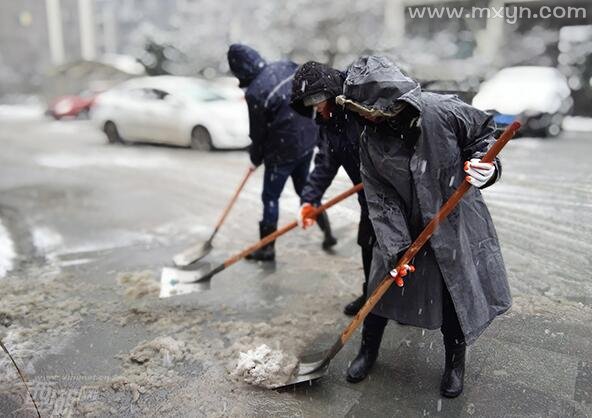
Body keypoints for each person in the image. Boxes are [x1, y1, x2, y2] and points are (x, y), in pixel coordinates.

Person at [338, 56, 512, 398]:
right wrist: (397, 248)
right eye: (358, 110)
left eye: (366, 109)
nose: (363, 117)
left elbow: (486, 137)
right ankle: (367, 351)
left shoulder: (443, 112)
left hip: (453, 219)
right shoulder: (370, 139)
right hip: (403, 222)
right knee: (380, 287)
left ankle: (454, 363)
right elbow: (381, 197)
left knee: (452, 294)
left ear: (388, 101)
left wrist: (488, 167)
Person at [227, 44, 337, 261]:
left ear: (239, 70)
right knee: (306, 189)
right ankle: (328, 232)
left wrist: (255, 157)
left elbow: (258, 133)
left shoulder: (256, 92)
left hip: (281, 153)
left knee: (270, 197)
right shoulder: (285, 66)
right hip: (306, 141)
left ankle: (267, 248)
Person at [290, 61, 375, 316]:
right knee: (368, 243)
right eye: (310, 102)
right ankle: (371, 292)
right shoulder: (328, 126)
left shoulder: (360, 112)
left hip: (394, 192)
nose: (316, 106)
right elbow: (325, 164)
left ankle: (402, 301)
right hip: (366, 197)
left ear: (331, 92)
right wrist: (309, 200)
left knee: (398, 245)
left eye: (318, 98)